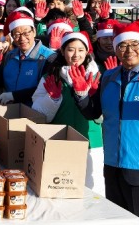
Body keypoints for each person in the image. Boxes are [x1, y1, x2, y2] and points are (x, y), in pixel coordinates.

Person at [73, 21, 139, 225]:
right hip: (113, 164)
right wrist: (80, 94)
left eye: (135, 45)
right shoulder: (108, 78)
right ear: (116, 48)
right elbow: (92, 112)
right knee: (116, 220)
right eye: (122, 45)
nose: (129, 50)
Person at [31, 31, 104, 195]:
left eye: (81, 50)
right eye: (71, 49)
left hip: (91, 141)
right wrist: (52, 99)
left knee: (93, 189)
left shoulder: (97, 76)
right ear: (62, 51)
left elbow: (103, 117)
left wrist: (92, 98)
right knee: (61, 189)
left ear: (87, 52)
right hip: (58, 139)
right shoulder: (51, 77)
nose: (76, 54)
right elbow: (38, 113)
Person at [0, 11, 57, 105]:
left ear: (34, 32)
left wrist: (14, 96)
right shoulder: (10, 55)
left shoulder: (48, 58)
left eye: (26, 33)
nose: (22, 38)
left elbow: (44, 90)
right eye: (17, 34)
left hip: (33, 112)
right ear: (12, 37)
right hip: (9, 109)